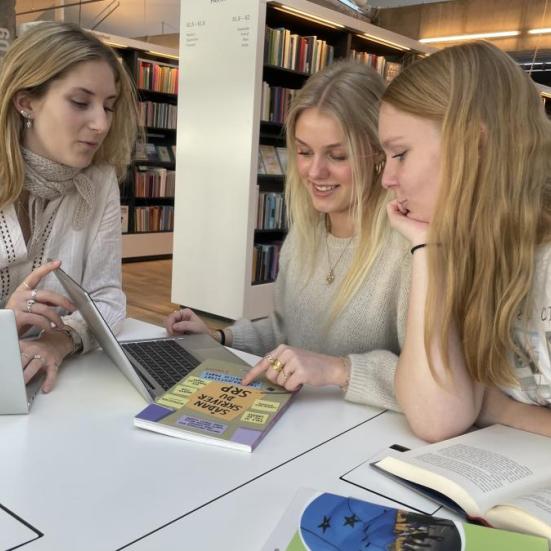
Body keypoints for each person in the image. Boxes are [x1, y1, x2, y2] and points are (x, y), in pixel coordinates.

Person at [167, 60, 411, 410]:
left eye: (337, 155)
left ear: (378, 153)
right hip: (298, 424)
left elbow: (432, 386)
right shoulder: (305, 231)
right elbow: (285, 334)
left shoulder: (407, 247)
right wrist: (219, 337)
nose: (315, 171)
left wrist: (337, 369)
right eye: (304, 151)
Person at [378, 41, 551, 440]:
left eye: (400, 154)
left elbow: (474, 407)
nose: (386, 179)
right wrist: (427, 248)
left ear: (473, 145)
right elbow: (436, 419)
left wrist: (498, 407)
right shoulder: (470, 247)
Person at [0, 21, 138, 393]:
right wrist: (5, 322)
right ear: (26, 101)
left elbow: (107, 297)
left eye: (109, 107)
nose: (101, 123)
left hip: (54, 390)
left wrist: (60, 342)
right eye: (81, 102)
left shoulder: (99, 181)